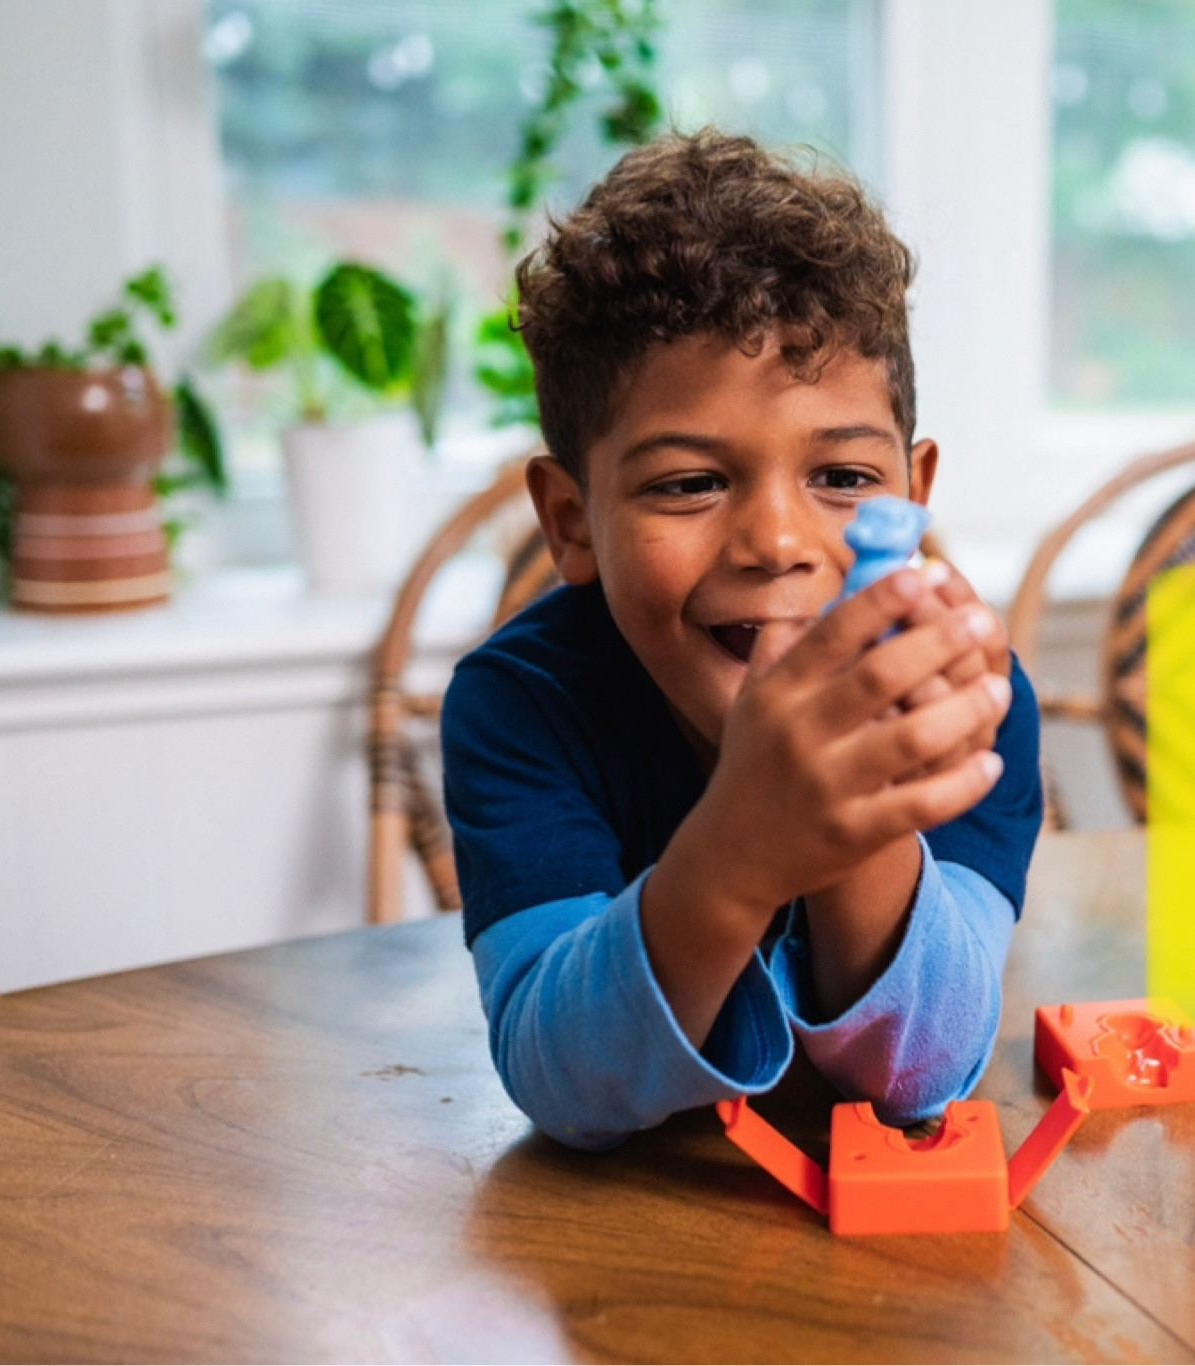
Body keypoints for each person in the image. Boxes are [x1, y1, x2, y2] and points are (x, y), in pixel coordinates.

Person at [441, 130, 1044, 1151]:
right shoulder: (518, 705)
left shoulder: (968, 700)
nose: (776, 542)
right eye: (688, 483)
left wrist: (848, 815)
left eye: (843, 478)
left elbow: (923, 1071)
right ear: (571, 520)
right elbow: (559, 1078)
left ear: (913, 489)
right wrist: (738, 852)